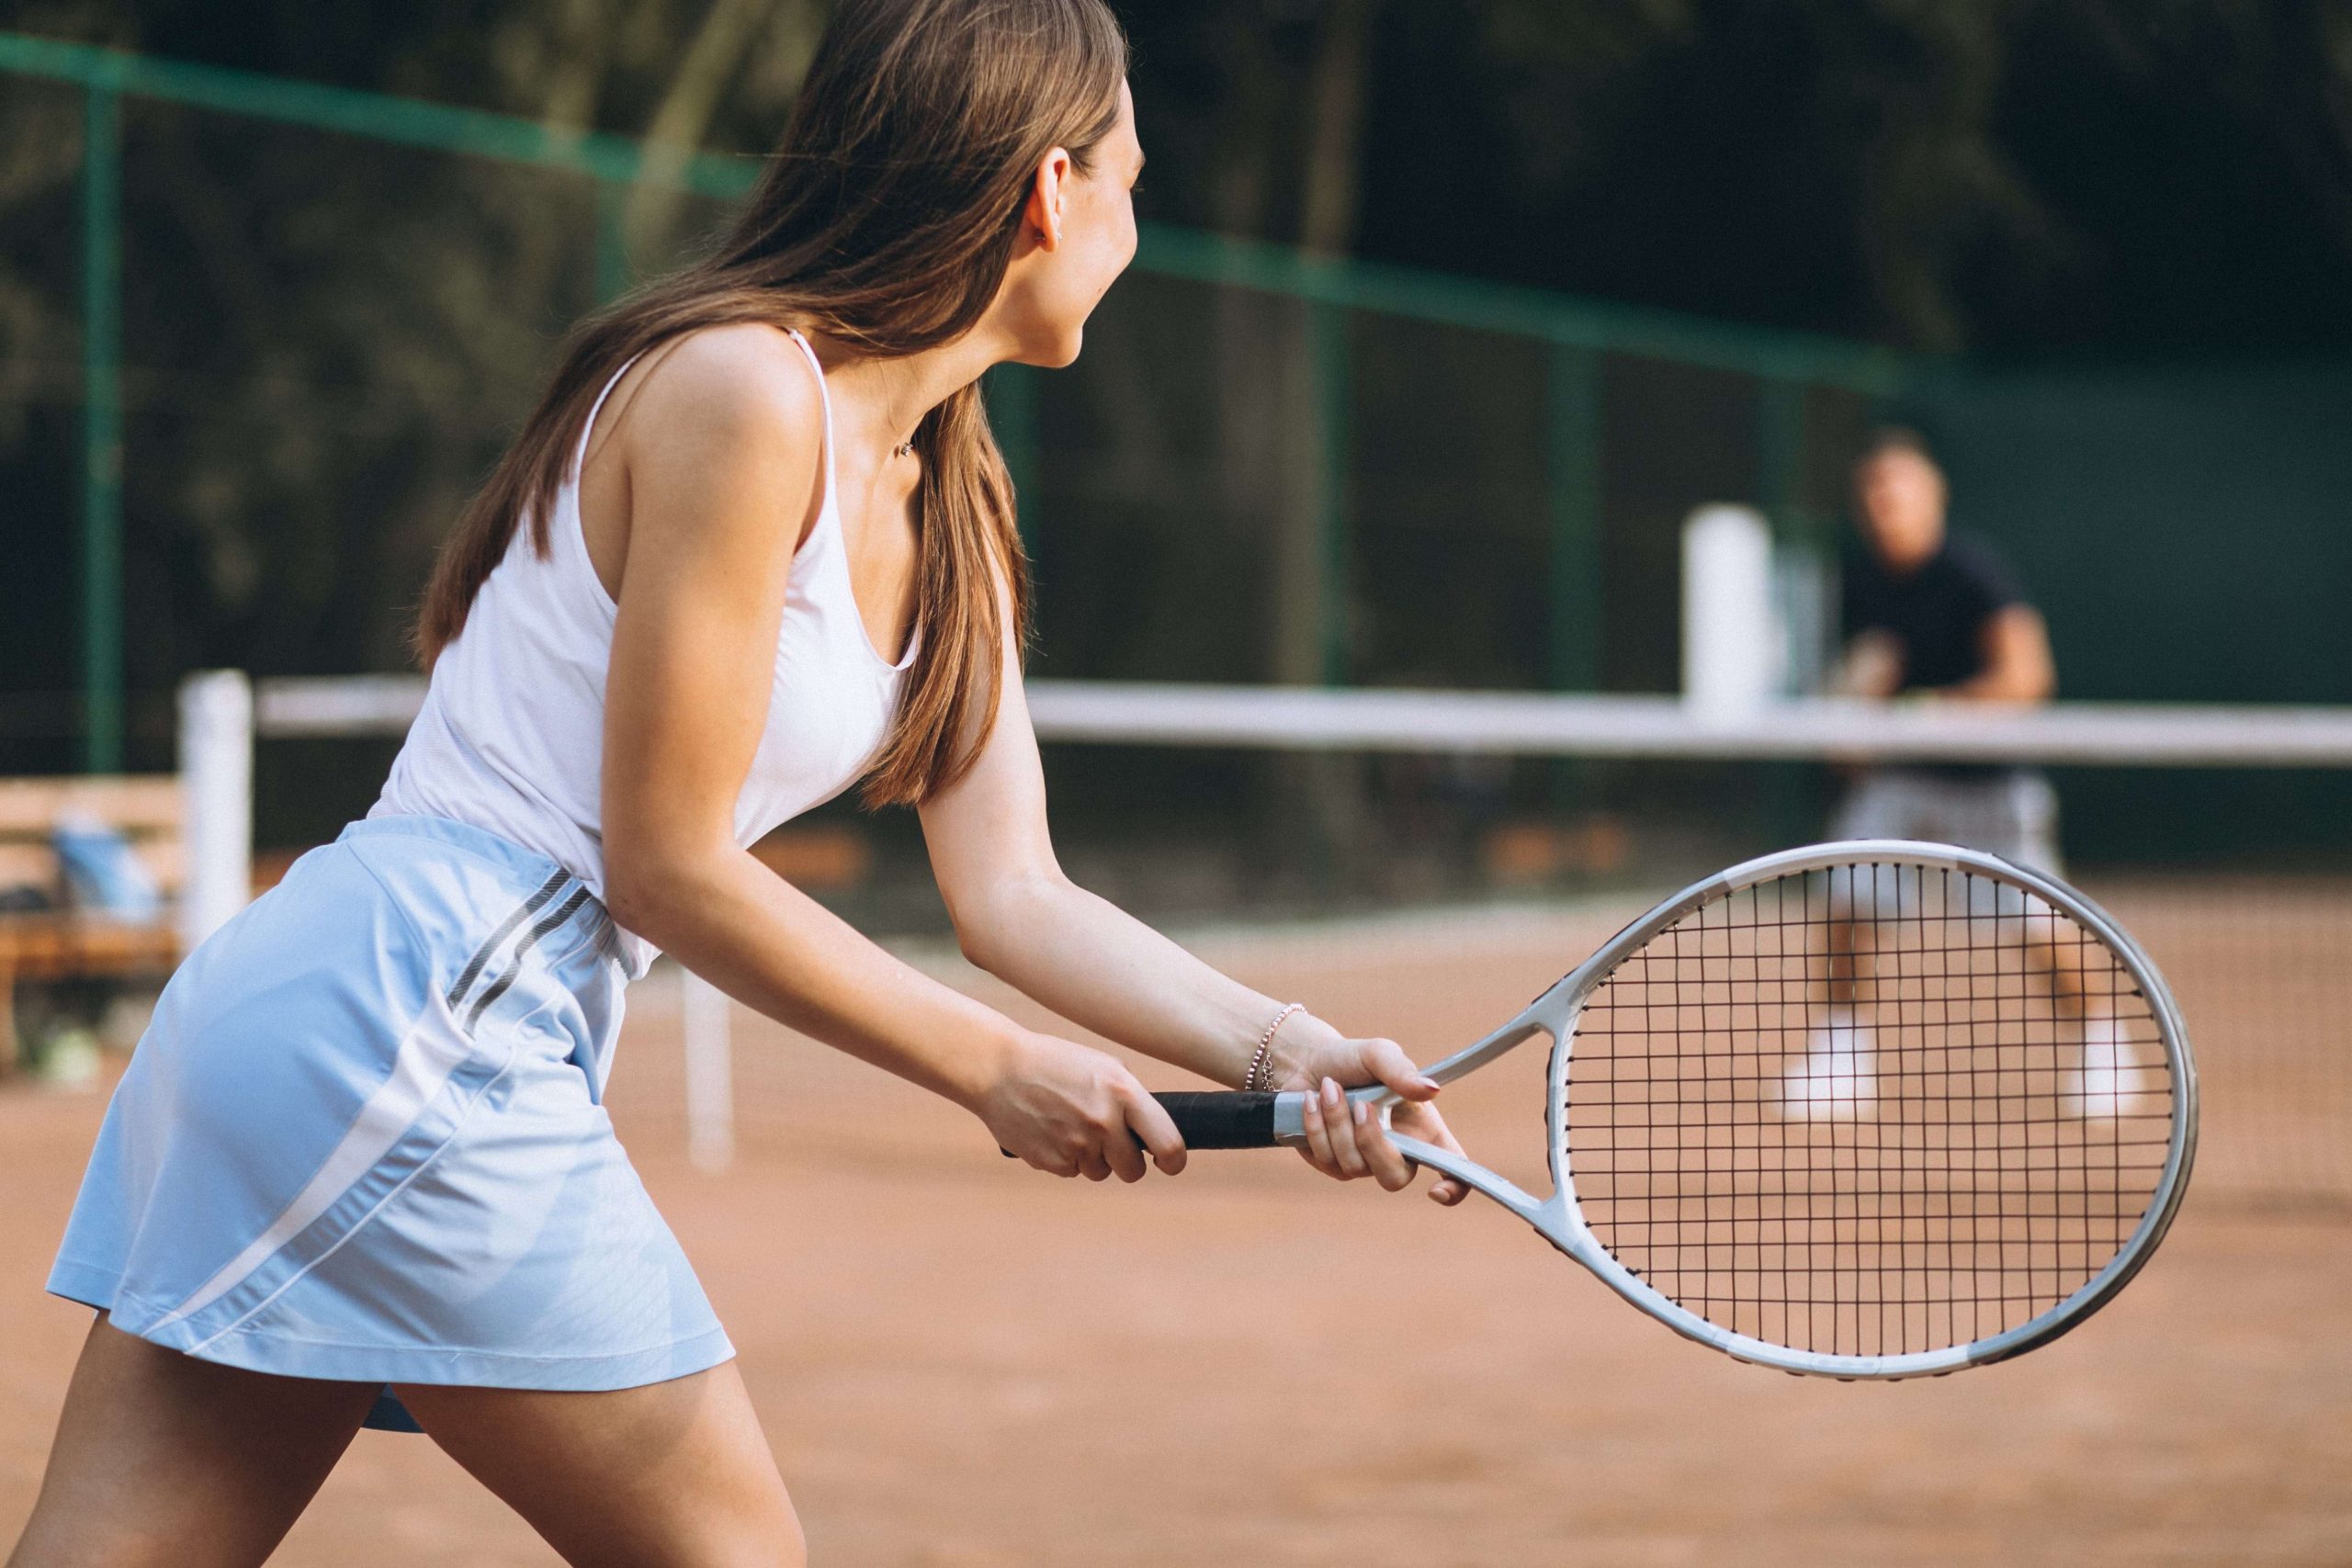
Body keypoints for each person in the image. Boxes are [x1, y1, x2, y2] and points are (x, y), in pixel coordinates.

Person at [6, 4, 1466, 1562]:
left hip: (353, 1026)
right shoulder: (742, 392)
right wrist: (994, 1069)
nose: (1134, 224)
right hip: (413, 1023)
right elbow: (670, 868)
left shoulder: (954, 499)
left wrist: (1291, 1052)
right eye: (1130, 180)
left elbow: (1018, 892)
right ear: (1051, 189)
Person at [1825, 426, 2059, 865]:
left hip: (1988, 782)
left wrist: (1934, 709)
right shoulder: (1857, 581)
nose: (1885, 498)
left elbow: (2029, 678)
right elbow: (1857, 688)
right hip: (1901, 781)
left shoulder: (1975, 573)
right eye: (1873, 486)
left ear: (1935, 492)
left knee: (2038, 932)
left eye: (1899, 483)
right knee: (1846, 911)